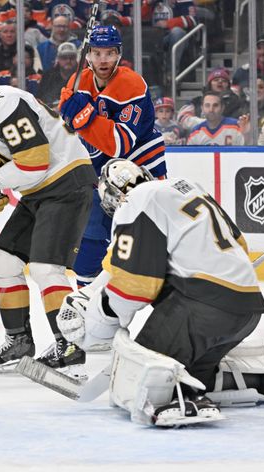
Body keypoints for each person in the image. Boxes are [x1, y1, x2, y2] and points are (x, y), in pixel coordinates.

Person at [56, 160, 264, 427]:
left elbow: (133, 287)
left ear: (112, 194)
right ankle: (261, 381)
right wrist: (91, 293)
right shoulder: (184, 189)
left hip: (201, 311)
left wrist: (100, 319)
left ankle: (183, 400)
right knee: (194, 372)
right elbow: (240, 246)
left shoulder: (134, 202)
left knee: (141, 375)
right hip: (246, 311)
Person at [0, 55, 96, 377]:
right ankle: (19, 341)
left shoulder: (8, 103)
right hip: (37, 192)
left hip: (66, 180)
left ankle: (68, 345)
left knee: (45, 268)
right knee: (3, 261)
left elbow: (34, 163)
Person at [58, 25, 167, 287]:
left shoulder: (131, 85)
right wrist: (68, 111)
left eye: (109, 53)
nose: (103, 59)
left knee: (151, 240)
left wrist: (81, 116)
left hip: (140, 168)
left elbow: (119, 143)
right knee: (89, 244)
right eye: (96, 53)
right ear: (88, 56)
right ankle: (86, 303)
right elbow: (64, 119)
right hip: (101, 172)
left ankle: (177, 298)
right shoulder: (79, 81)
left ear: (119, 54)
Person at [38, 42, 78, 108]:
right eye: (64, 57)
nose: (68, 61)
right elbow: (40, 99)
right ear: (58, 59)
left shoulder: (83, 77)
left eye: (72, 57)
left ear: (76, 59)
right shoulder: (48, 77)